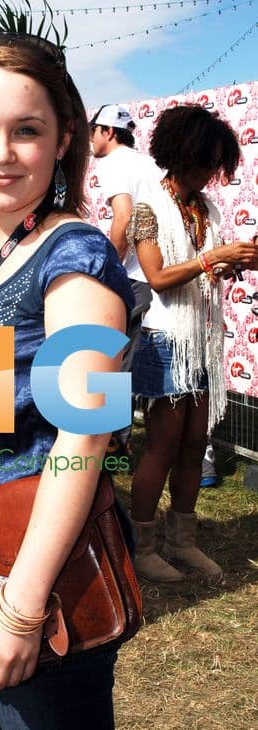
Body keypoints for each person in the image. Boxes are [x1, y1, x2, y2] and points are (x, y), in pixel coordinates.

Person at [0, 32, 134, 730]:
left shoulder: (75, 258)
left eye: (27, 130)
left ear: (64, 137)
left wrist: (22, 600)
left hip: (47, 576)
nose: (2, 152)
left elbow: (85, 438)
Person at [127, 104, 258, 583]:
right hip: (166, 342)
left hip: (203, 343)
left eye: (215, 164)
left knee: (194, 443)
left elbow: (208, 266)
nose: (209, 173)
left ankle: (181, 542)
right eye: (204, 162)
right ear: (180, 153)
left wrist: (238, 260)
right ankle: (143, 547)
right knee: (162, 446)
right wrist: (213, 259)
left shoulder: (208, 208)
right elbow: (159, 278)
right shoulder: (147, 210)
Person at [89, 104, 163, 458]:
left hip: (135, 275)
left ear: (108, 132)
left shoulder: (115, 164)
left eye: (94, 129)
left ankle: (112, 445)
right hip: (156, 273)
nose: (91, 137)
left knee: (114, 361)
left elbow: (123, 218)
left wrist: (110, 271)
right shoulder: (146, 162)